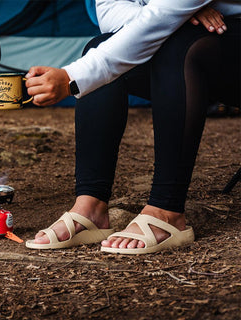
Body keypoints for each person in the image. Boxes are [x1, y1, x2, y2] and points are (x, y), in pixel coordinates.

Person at [24, 0, 240, 254]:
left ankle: (167, 210)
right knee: (100, 46)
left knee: (179, 47)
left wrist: (72, 77)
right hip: (192, 32)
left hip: (227, 36)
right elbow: (109, 9)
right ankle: (91, 205)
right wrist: (180, 16)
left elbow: (164, 14)